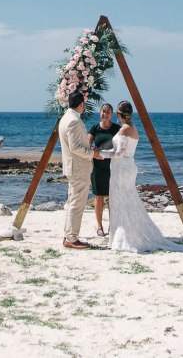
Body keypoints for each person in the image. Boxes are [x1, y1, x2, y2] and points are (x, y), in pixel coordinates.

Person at [104, 100, 183, 253]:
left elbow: (118, 153)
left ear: (118, 114)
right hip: (129, 166)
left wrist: (101, 154)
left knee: (120, 201)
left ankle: (124, 238)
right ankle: (126, 234)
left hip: (122, 169)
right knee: (128, 200)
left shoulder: (124, 130)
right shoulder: (134, 128)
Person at [58, 89, 100, 250]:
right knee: (77, 203)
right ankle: (72, 238)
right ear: (81, 104)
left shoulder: (65, 118)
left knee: (72, 201)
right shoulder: (74, 120)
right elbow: (75, 147)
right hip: (78, 167)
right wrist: (92, 153)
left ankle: (69, 234)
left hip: (73, 166)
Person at [88, 103, 121, 237]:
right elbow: (87, 143)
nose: (105, 114)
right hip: (97, 166)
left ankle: (112, 226)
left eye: (107, 112)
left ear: (112, 114)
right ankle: (99, 226)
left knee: (112, 197)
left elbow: (121, 145)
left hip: (113, 165)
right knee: (99, 196)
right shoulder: (95, 128)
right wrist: (92, 150)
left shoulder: (117, 128)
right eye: (103, 111)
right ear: (100, 113)